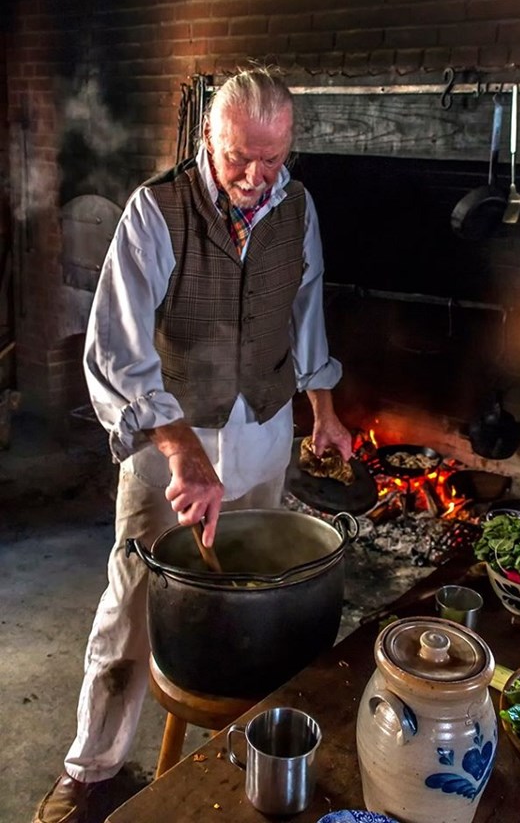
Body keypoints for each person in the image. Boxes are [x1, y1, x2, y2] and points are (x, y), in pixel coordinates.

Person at [33, 66, 351, 823]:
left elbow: (305, 316)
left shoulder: (297, 209)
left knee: (260, 600)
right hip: (166, 442)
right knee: (134, 607)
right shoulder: (155, 210)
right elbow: (116, 351)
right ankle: (93, 769)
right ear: (208, 134)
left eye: (273, 159)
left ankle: (254, 751)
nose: (255, 176)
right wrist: (181, 448)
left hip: (266, 433)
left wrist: (325, 410)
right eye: (240, 155)